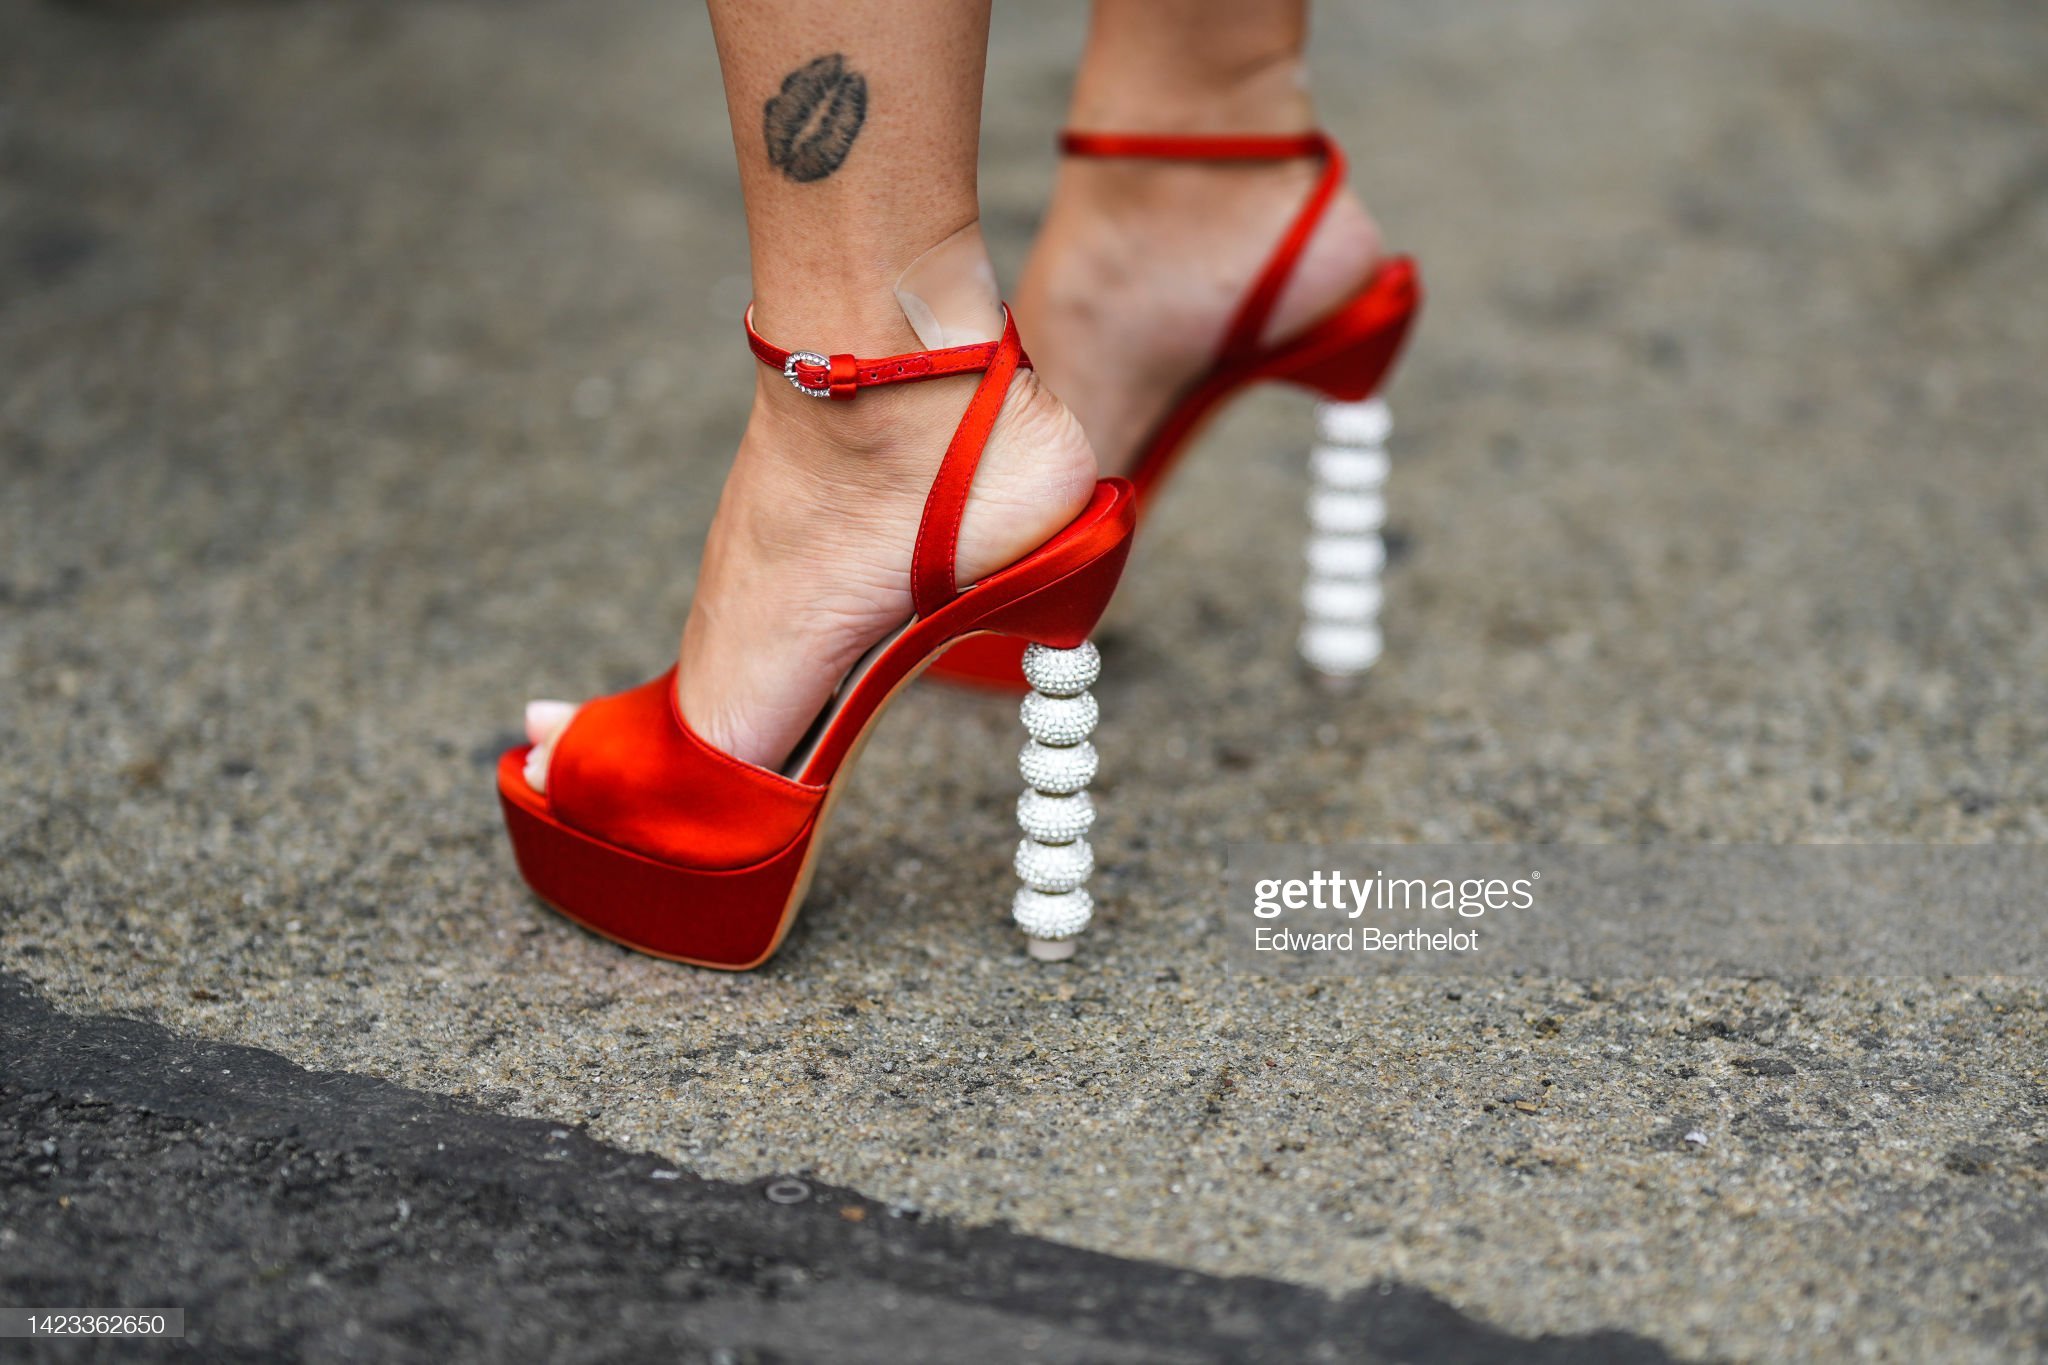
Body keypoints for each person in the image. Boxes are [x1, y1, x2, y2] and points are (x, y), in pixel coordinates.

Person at [497, 1, 1418, 969]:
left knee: (873, 370)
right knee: (1198, 128)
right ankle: (1201, 173)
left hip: (909, 440)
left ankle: (874, 430)